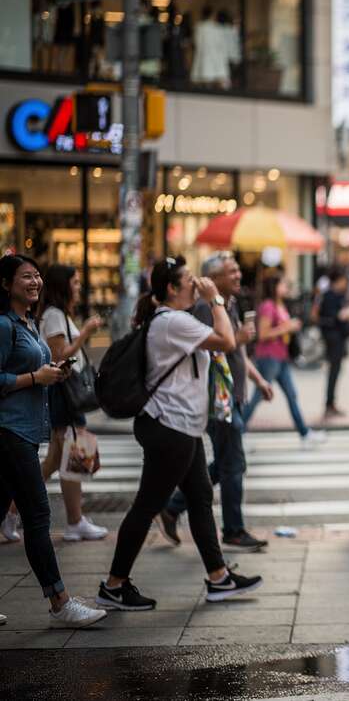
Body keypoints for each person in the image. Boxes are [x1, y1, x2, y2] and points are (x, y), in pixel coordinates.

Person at [98, 257, 263, 611]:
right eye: (189, 280)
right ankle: (114, 584)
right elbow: (226, 341)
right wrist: (215, 299)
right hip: (168, 427)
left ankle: (218, 578)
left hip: (182, 427)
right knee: (147, 506)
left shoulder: (175, 320)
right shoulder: (172, 321)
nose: (196, 283)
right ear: (172, 289)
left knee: (201, 496)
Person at [0, 255, 106, 628]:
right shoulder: (3, 325)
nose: (34, 281)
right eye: (25, 276)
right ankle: (60, 601)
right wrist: (36, 377)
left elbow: (40, 365)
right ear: (6, 284)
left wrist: (52, 375)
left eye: (37, 275)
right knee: (38, 515)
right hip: (8, 431)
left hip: (27, 430)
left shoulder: (28, 321)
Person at [159, 254, 275, 552]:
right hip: (215, 398)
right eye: (231, 271)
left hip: (231, 395)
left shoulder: (229, 303)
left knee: (226, 461)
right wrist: (237, 337)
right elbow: (213, 347)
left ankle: (173, 507)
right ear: (214, 278)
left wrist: (258, 379)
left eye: (238, 269)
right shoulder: (205, 307)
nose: (238, 275)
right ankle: (233, 529)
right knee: (233, 462)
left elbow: (237, 352)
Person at [38, 264, 108, 541]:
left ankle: (9, 513)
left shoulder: (58, 315)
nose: (79, 287)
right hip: (63, 393)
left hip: (64, 393)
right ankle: (74, 521)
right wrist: (86, 333)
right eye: (75, 283)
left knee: (58, 459)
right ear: (63, 286)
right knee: (71, 454)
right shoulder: (54, 316)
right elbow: (59, 357)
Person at [242, 274, 326, 447]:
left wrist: (290, 327)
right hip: (268, 357)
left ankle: (304, 433)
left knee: (291, 395)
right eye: (282, 284)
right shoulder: (267, 306)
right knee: (259, 396)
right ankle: (238, 432)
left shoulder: (280, 304)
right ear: (273, 286)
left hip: (281, 357)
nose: (286, 287)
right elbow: (263, 334)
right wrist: (286, 327)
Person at [316, 271, 349, 419]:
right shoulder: (329, 296)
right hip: (333, 339)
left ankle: (331, 403)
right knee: (333, 372)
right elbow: (327, 317)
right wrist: (343, 315)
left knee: (336, 371)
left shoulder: (338, 295)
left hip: (339, 338)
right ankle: (329, 404)